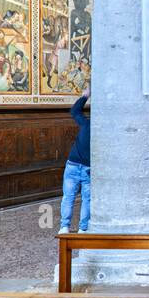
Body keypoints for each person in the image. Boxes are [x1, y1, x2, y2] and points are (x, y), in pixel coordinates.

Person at [60, 90, 90, 232]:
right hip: (88, 168)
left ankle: (64, 227)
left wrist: (85, 96)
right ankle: (83, 229)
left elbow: (75, 111)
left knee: (68, 197)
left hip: (72, 164)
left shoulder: (86, 124)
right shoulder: (103, 133)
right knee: (87, 199)